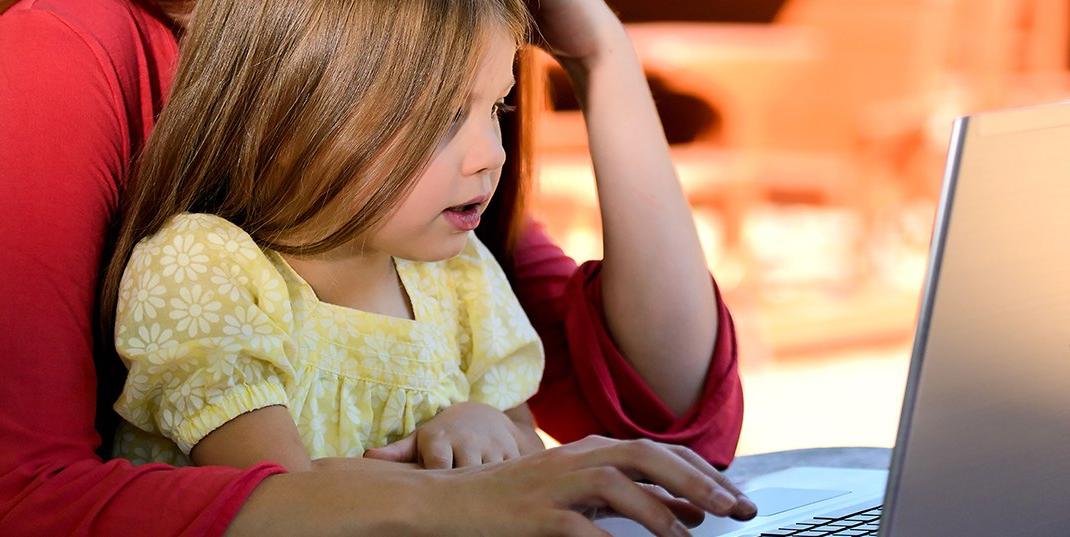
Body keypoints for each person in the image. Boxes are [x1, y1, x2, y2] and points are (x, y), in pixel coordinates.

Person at [0, 0, 750, 534]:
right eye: (445, 114)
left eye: (500, 109)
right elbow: (23, 496)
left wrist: (600, 52)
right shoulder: (67, 55)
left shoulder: (439, 250)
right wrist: (445, 502)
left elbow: (671, 420)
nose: (489, 152)